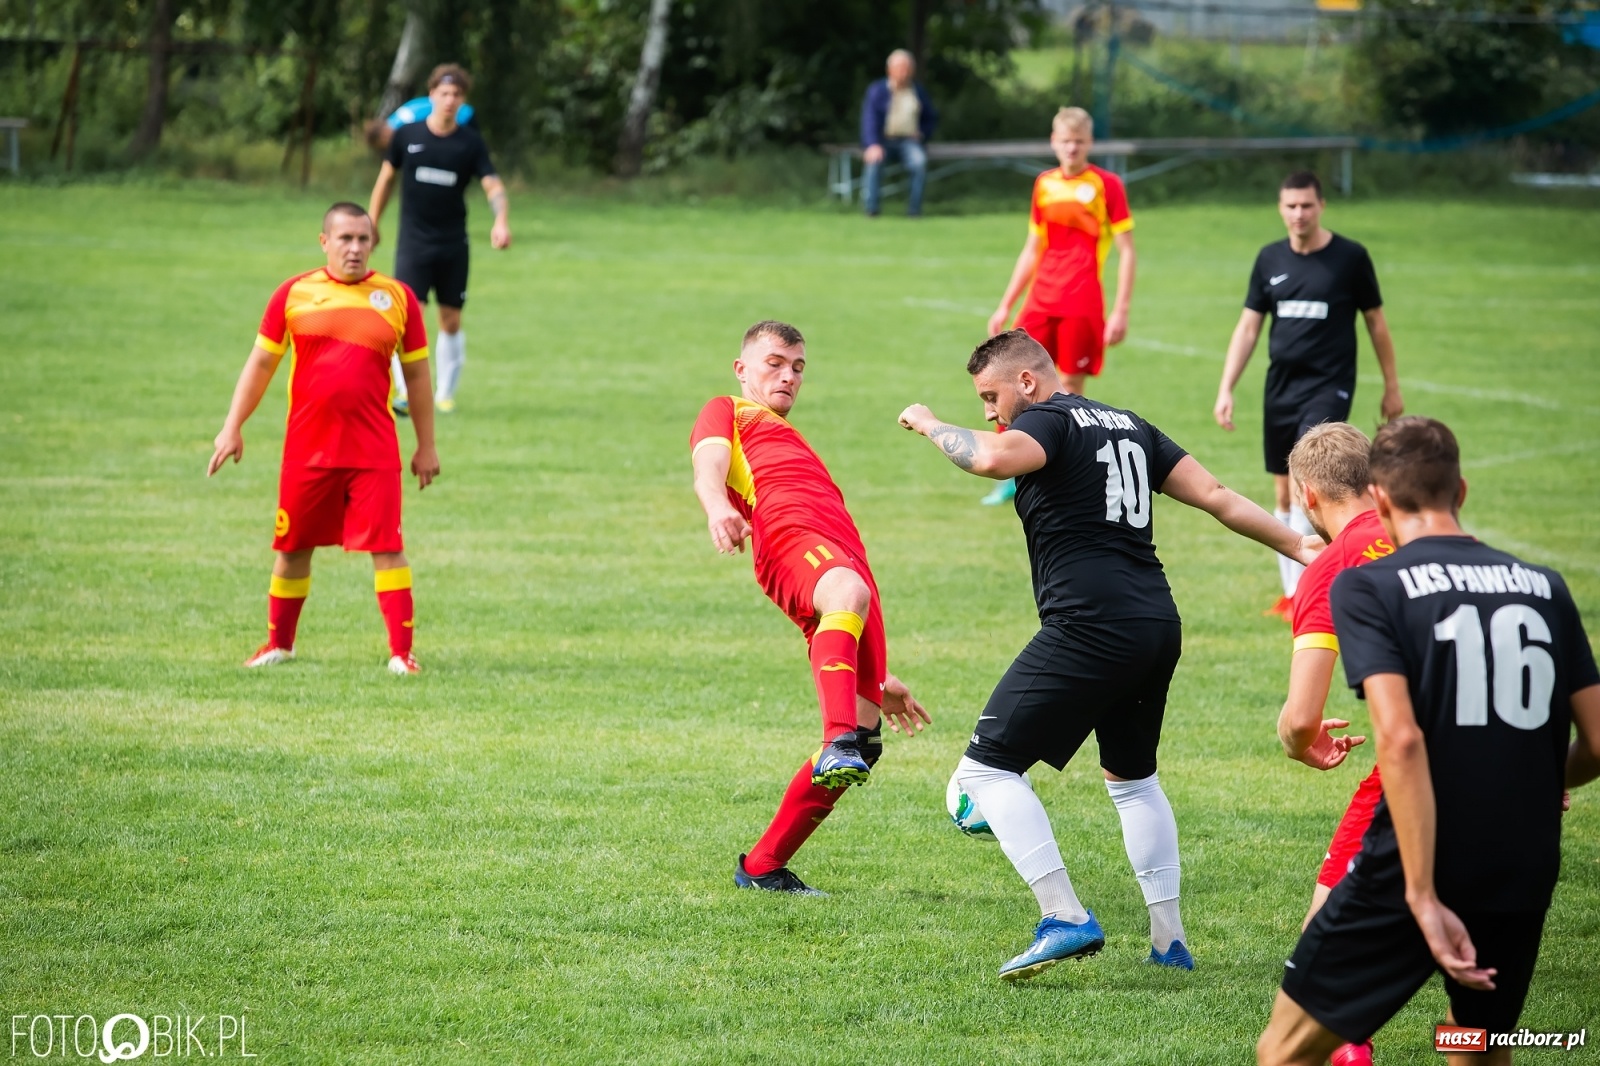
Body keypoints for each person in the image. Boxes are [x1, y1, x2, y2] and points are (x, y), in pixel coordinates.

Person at [897, 329, 1320, 980]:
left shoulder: (1046, 421)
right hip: (1156, 622)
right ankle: (1168, 939)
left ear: (1028, 382)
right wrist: (1305, 552)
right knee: (1132, 779)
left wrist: (928, 424)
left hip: (1090, 625)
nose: (989, 410)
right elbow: (1217, 497)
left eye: (991, 395)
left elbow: (988, 459)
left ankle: (1063, 916)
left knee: (985, 774)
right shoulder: (1129, 424)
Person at [1257, 417, 1600, 1066]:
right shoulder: (1544, 585)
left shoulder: (1356, 577)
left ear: (1378, 496)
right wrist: (1534, 778)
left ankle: (1351, 1040)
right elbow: (1599, 741)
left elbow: (1399, 738)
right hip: (1523, 844)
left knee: (1286, 1048)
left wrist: (1420, 891)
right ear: (1462, 490)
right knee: (1474, 1042)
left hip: (1416, 828)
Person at [691, 320, 931, 895]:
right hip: (791, 536)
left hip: (846, 559)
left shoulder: (792, 436)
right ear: (742, 368)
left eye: (798, 368)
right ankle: (835, 738)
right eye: (774, 362)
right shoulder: (726, 408)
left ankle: (763, 867)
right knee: (846, 600)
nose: (788, 376)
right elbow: (709, 463)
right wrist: (714, 507)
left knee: (867, 740)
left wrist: (875, 671)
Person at [207, 202, 438, 676]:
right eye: (345, 239)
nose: (355, 248)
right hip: (307, 450)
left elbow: (416, 377)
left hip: (373, 451)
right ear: (324, 242)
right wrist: (233, 426)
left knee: (388, 549)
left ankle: (401, 654)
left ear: (374, 243)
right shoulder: (293, 294)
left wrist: (426, 445)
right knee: (292, 548)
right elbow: (261, 364)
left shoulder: (398, 298)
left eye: (363, 239)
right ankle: (279, 644)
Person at [1213, 171, 1403, 619]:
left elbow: (1376, 323)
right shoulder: (1269, 259)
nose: (1299, 214)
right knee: (1284, 494)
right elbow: (1248, 327)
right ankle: (1292, 592)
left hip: (1328, 386)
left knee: (1313, 482)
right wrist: (1226, 387)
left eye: (1307, 205)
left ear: (1321, 207)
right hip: (1281, 389)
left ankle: (1322, 589)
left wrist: (1391, 385)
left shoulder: (1350, 258)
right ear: (1280, 208)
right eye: (1291, 206)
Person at [1276, 422, 1396, 1066]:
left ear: (1307, 495)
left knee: (1320, 954)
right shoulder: (1437, 539)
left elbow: (1301, 718)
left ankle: (1351, 1048)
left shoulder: (1333, 565)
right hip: (1512, 760)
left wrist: (1299, 741)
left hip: (1417, 767)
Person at [981, 106, 1135, 506]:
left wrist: (1120, 310)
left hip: (1083, 300)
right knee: (1007, 375)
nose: (1071, 148)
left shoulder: (1107, 185)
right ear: (1054, 141)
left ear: (1089, 144)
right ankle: (1010, 473)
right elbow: (1033, 248)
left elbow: (1127, 251)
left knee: (1068, 388)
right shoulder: (1044, 184)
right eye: (1065, 141)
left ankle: (1066, 464)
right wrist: (1005, 304)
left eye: (1079, 142)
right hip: (1041, 299)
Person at [368, 64, 510, 416]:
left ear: (463, 101)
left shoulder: (470, 143)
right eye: (444, 93)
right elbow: (386, 180)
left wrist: (501, 220)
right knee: (409, 316)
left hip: (452, 244)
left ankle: (444, 393)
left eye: (456, 95)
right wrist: (372, 222)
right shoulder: (407, 136)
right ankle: (407, 393)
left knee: (450, 319)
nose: (449, 100)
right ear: (431, 95)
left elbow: (492, 184)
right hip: (414, 242)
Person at [859, 49, 938, 218]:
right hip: (883, 141)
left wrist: (922, 133)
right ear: (890, 70)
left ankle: (914, 211)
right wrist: (872, 144)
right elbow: (869, 120)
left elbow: (931, 117)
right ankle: (872, 209)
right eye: (900, 68)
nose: (904, 72)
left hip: (909, 142)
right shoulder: (878, 90)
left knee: (919, 163)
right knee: (873, 162)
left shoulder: (918, 91)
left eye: (907, 68)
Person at [362, 97, 478, 154]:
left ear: (383, 135)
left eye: (383, 144)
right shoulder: (395, 119)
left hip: (462, 117)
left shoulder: (402, 128)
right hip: (462, 112)